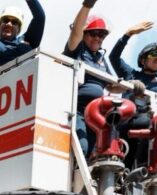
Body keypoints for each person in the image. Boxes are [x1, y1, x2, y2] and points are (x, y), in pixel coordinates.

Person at [63, 0, 115, 157]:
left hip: (98, 113)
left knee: (99, 151)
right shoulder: (76, 50)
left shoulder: (101, 58)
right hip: (78, 109)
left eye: (102, 35)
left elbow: (113, 86)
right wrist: (87, 6)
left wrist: (133, 85)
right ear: (85, 35)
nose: (98, 38)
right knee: (83, 148)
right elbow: (76, 32)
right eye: (93, 33)